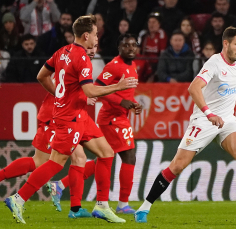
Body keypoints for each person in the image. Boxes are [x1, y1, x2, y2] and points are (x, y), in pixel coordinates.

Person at [4, 15, 137, 224]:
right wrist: (118, 87)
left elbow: (42, 76)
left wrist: (60, 95)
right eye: (94, 34)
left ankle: (102, 205)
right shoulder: (82, 57)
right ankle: (18, 198)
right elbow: (90, 89)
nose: (96, 38)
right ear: (86, 35)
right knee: (55, 162)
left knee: (106, 152)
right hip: (69, 118)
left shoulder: (62, 51)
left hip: (79, 115)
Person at [134, 27, 236, 223]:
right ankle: (144, 208)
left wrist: (220, 115)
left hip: (227, 119)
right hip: (205, 119)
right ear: (226, 43)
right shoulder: (214, 62)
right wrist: (209, 113)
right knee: (177, 166)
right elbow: (193, 88)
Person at [47, 33, 143, 215]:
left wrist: (131, 104)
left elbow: (125, 94)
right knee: (128, 156)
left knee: (104, 157)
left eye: (133, 45)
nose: (130, 48)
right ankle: (122, 204)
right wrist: (121, 102)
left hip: (120, 117)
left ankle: (60, 185)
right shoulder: (114, 66)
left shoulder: (134, 66)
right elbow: (97, 88)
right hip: (111, 119)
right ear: (119, 48)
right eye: (126, 45)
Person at [1, 45, 98, 218]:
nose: (94, 48)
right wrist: (84, 96)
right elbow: (64, 88)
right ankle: (17, 195)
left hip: (65, 115)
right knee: (40, 162)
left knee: (79, 157)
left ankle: (75, 208)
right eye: (91, 44)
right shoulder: (76, 60)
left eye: (96, 46)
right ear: (84, 38)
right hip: (56, 116)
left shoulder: (69, 55)